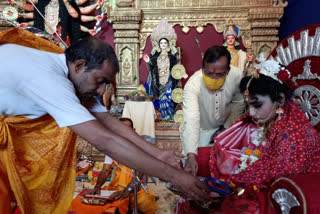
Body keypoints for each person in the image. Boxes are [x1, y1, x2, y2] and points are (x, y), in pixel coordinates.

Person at [0, 35, 210, 213]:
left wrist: (158, 155)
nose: (101, 92)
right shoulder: (50, 80)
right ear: (80, 65)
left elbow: (108, 122)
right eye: (100, 81)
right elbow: (104, 140)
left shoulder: (67, 72)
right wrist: (174, 176)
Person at [178, 58, 320, 213]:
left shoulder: (296, 135)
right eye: (249, 105)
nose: (251, 113)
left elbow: (275, 176)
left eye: (257, 105)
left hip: (274, 194)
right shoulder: (262, 121)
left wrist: (232, 188)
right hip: (246, 183)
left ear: (280, 100)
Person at [180, 46, 245, 176]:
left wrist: (227, 129)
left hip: (226, 131)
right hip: (199, 132)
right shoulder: (192, 85)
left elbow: (238, 103)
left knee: (227, 173)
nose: (214, 78)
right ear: (203, 69)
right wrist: (191, 154)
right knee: (197, 171)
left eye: (220, 74)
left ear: (228, 70)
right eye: (209, 73)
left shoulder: (236, 76)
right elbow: (192, 120)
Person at [71, 117, 157, 214]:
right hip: (116, 189)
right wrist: (97, 186)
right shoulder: (112, 148)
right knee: (83, 202)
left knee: (145, 202)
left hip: (136, 191)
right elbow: (105, 170)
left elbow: (138, 175)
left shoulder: (141, 147)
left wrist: (127, 191)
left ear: (133, 131)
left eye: (126, 130)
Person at [143, 18, 178, 121]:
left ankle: (169, 115)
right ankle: (160, 116)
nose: (163, 45)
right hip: (158, 80)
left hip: (169, 80)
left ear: (168, 44)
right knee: (160, 96)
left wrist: (180, 73)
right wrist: (148, 62)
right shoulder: (154, 57)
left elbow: (176, 68)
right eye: (161, 43)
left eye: (165, 43)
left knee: (168, 96)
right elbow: (151, 69)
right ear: (158, 44)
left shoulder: (172, 56)